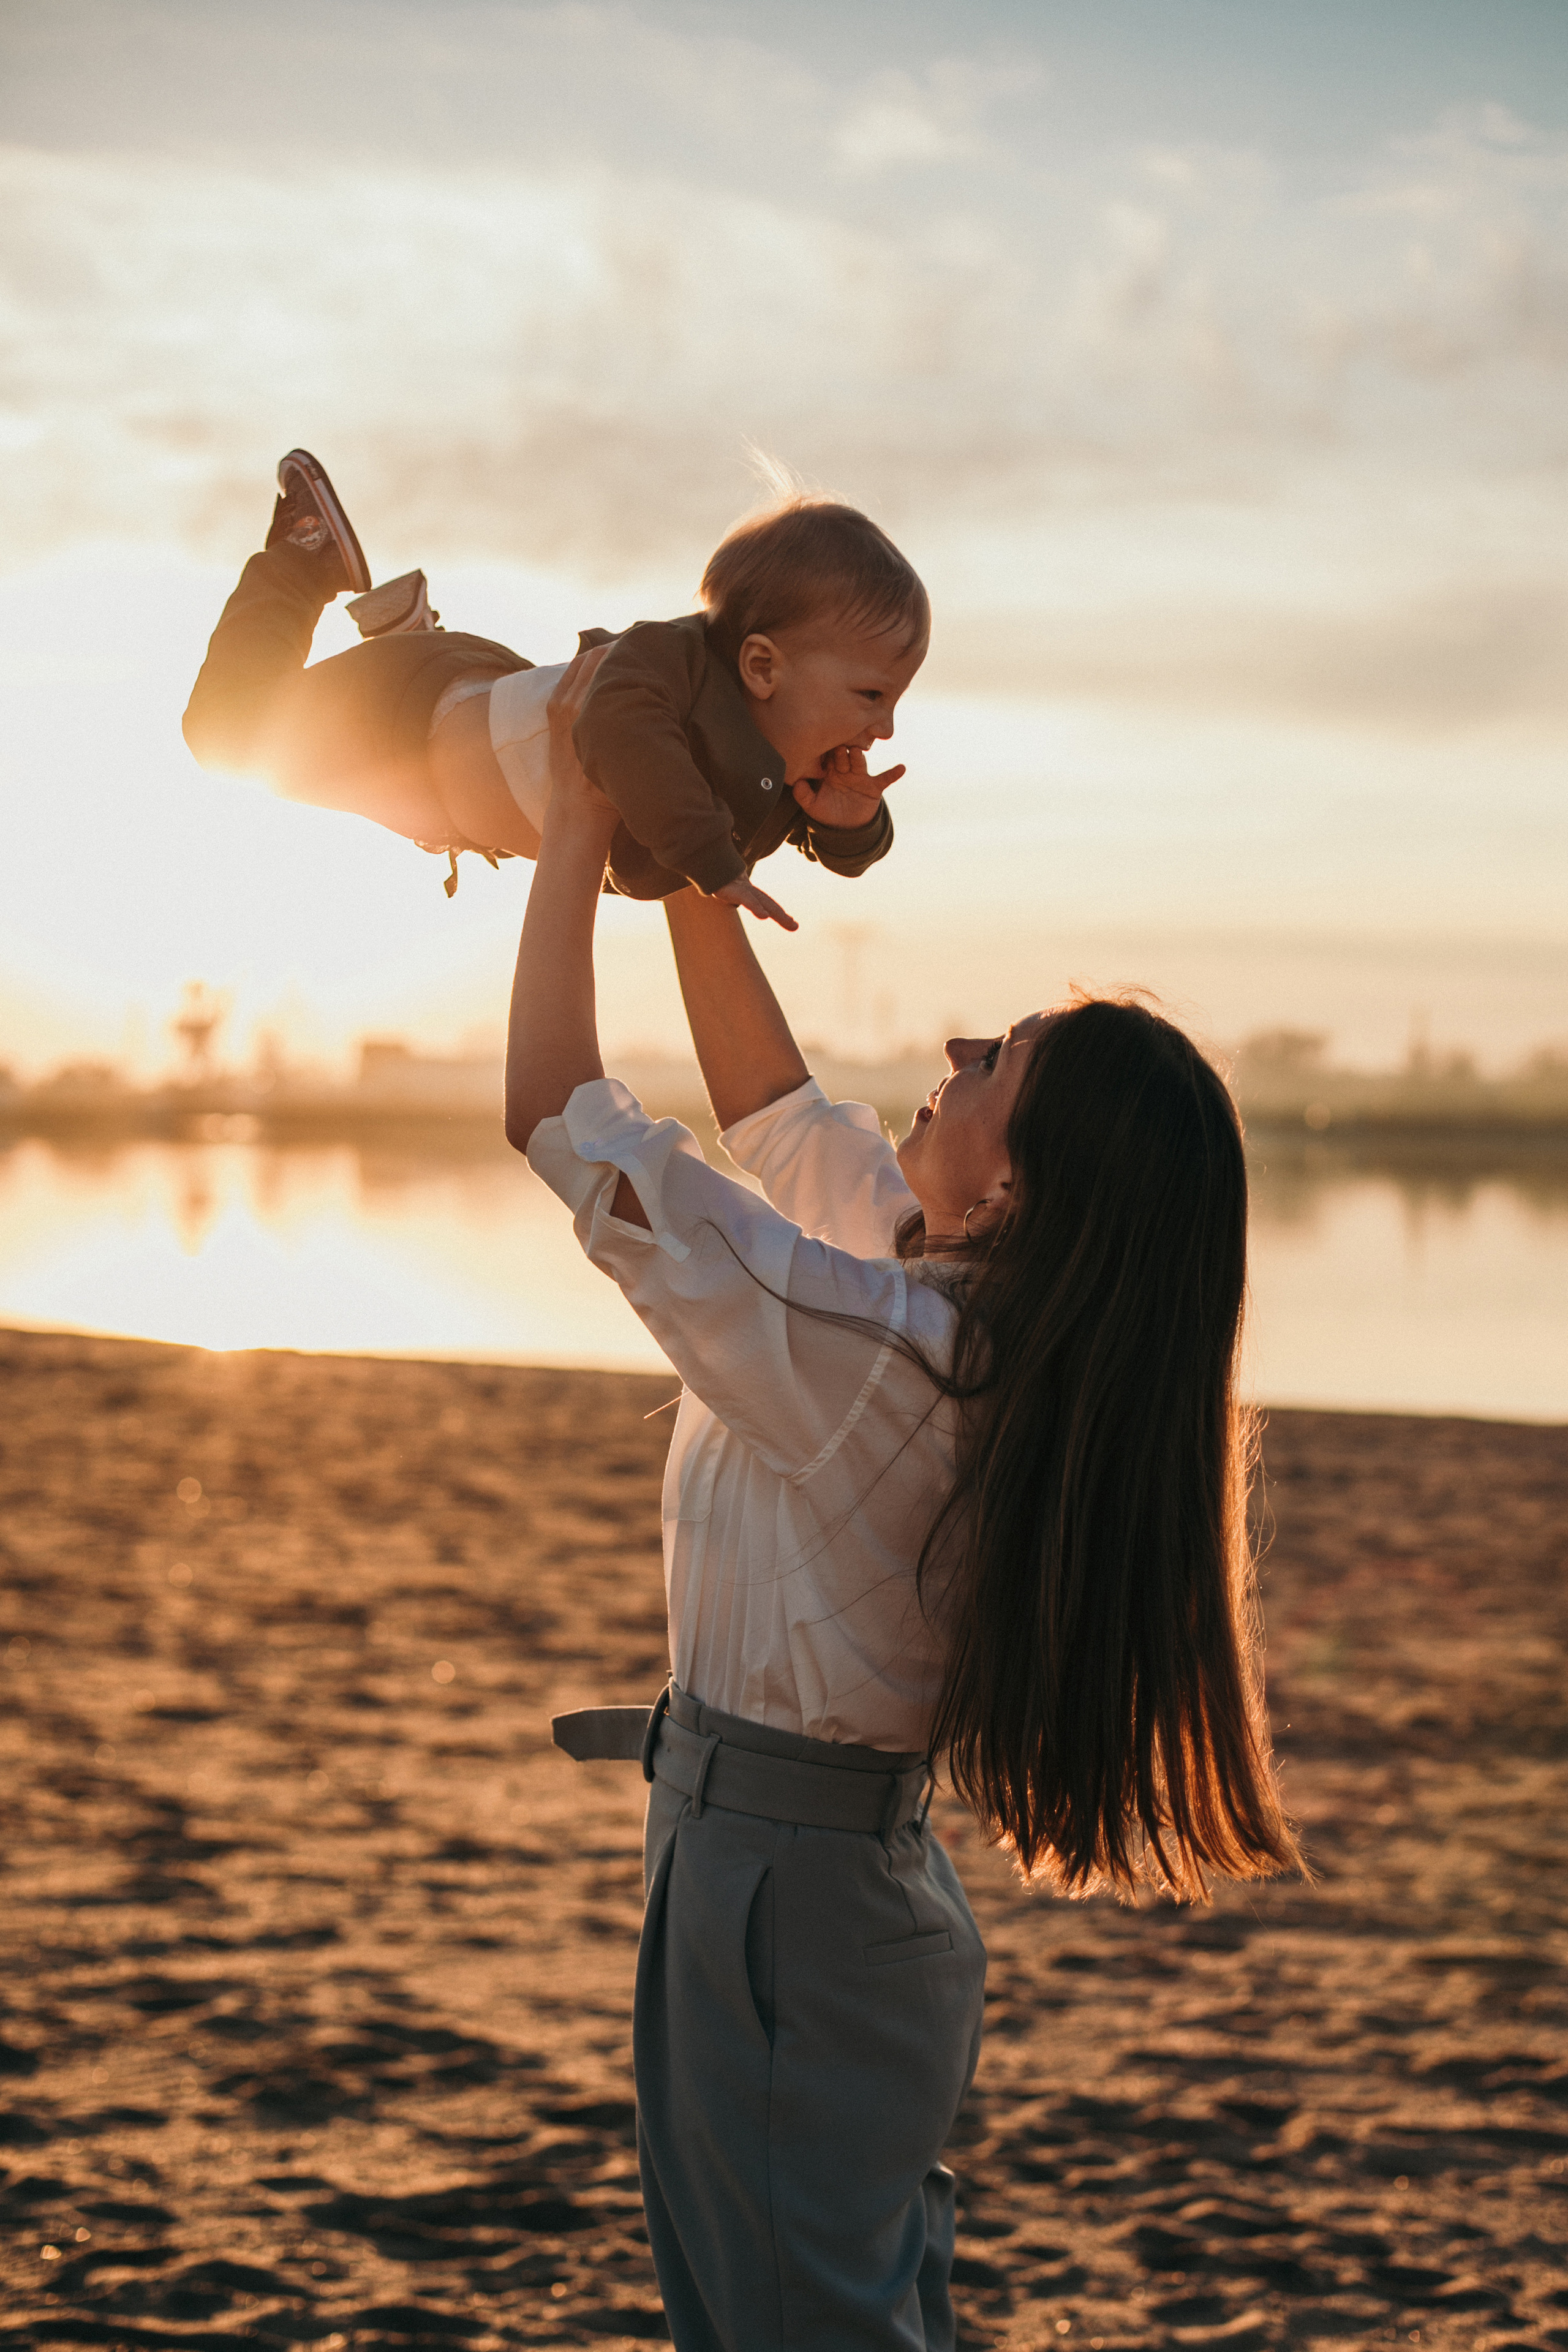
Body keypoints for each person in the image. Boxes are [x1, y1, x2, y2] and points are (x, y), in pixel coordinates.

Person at [505, 650, 1303, 2351]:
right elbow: (774, 1114)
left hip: (789, 1900)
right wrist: (694, 858)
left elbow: (564, 1124)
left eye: (997, 1055)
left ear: (1016, 1178)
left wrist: (573, 830)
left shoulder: (892, 1356)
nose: (955, 1043)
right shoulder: (947, 1317)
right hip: (784, 1879)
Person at [181, 449, 927, 921]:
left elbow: (842, 857)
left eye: (895, 699)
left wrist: (848, 824)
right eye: (870, 696)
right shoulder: (670, 663)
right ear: (763, 666)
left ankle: (407, 630)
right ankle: (303, 553)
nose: (885, 727)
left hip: (447, 793)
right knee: (227, 734)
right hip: (405, 712)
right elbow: (622, 732)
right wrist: (712, 861)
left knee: (362, 790)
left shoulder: (778, 769)